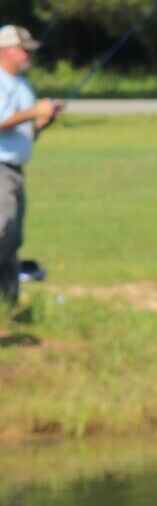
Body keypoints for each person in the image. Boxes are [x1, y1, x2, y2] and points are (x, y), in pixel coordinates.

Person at [0, 25, 59, 306]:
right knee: (2, 233)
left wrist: (40, 124)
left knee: (12, 240)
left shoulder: (22, 84)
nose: (29, 55)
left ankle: (7, 305)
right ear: (7, 49)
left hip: (16, 170)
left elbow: (22, 130)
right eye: (24, 50)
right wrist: (33, 112)